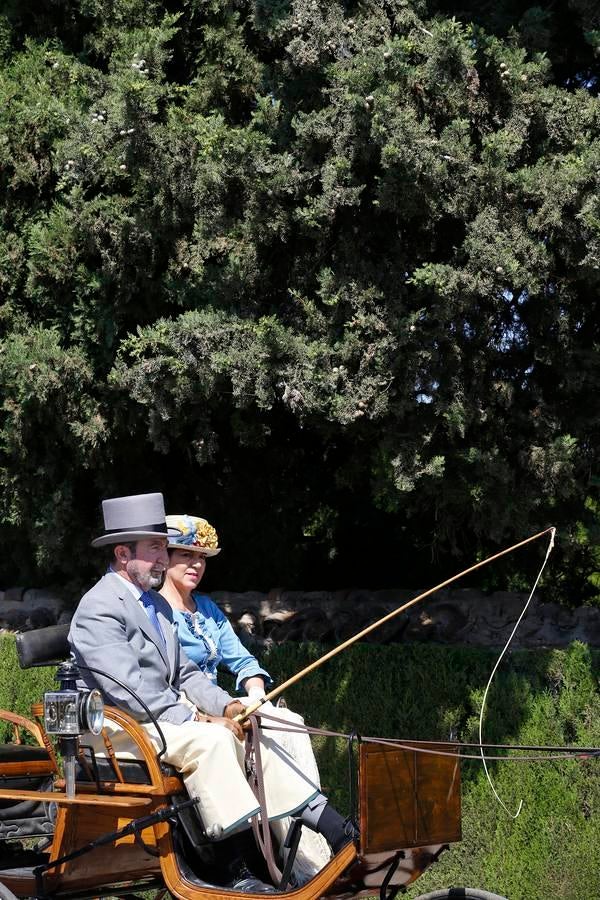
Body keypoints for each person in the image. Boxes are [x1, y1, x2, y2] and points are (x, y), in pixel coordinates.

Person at [68, 493, 351, 894]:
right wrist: (201, 719)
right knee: (213, 740)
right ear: (121, 552)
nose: (164, 559)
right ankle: (232, 869)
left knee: (256, 726)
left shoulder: (155, 605)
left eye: (165, 549)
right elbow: (129, 688)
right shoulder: (100, 607)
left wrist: (230, 705)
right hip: (119, 726)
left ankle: (334, 829)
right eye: (155, 549)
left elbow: (185, 673)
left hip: (154, 719)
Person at [160, 514, 332, 882]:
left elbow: (242, 660)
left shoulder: (207, 610)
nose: (197, 565)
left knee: (288, 722)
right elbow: (166, 680)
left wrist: (256, 694)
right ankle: (287, 855)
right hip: (185, 712)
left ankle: (312, 834)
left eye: (203, 558)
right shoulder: (153, 613)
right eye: (187, 555)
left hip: (225, 705)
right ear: (165, 557)